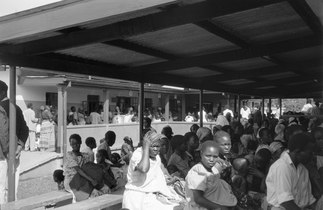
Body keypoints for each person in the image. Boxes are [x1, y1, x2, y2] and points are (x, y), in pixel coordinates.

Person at [122, 131, 182, 210]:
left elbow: (156, 179)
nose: (156, 149)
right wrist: (146, 147)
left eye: (158, 146)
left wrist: (171, 181)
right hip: (136, 197)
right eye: (153, 146)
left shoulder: (156, 158)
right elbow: (144, 169)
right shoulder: (138, 154)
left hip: (150, 197)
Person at [266, 133, 316, 210]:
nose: (312, 156)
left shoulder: (303, 169)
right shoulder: (282, 167)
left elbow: (309, 200)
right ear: (297, 151)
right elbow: (286, 202)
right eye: (310, 153)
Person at [185, 141, 237, 210]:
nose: (211, 160)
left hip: (214, 202)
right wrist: (219, 207)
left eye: (215, 156)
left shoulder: (213, 170)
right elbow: (198, 199)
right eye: (208, 156)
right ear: (201, 154)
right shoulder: (197, 172)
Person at [0, 80, 29, 202]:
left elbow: (3, 133)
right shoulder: (16, 108)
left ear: (1, 92)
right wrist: (19, 146)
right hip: (13, 153)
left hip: (3, 155)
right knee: (12, 189)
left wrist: (8, 151)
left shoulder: (2, 108)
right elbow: (25, 129)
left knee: (1, 188)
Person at [63, 134, 95, 201]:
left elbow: (89, 167)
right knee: (81, 195)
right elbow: (79, 170)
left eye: (77, 143)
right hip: (71, 181)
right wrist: (91, 180)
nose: (75, 145)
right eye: (72, 144)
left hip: (81, 180)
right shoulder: (69, 155)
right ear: (70, 144)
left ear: (80, 142)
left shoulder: (84, 156)